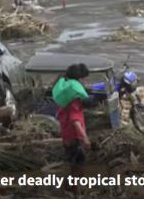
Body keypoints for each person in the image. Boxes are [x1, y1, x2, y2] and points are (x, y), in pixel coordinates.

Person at [52, 63, 91, 196]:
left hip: (66, 135)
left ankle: (71, 187)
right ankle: (76, 193)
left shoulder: (64, 95)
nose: (85, 82)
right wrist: (85, 137)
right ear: (78, 80)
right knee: (77, 167)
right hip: (75, 137)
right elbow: (75, 120)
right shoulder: (74, 98)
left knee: (75, 164)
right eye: (83, 79)